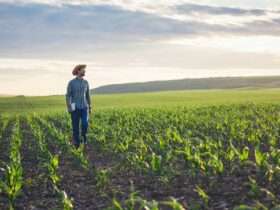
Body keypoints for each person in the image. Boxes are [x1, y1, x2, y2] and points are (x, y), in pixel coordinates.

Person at [66, 64, 92, 148]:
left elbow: (88, 95)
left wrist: (90, 106)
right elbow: (68, 95)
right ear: (78, 71)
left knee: (85, 124)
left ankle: (84, 139)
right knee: (75, 127)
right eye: (83, 70)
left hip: (84, 107)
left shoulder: (86, 82)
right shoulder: (71, 83)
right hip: (75, 108)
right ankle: (76, 144)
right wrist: (69, 107)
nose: (84, 71)